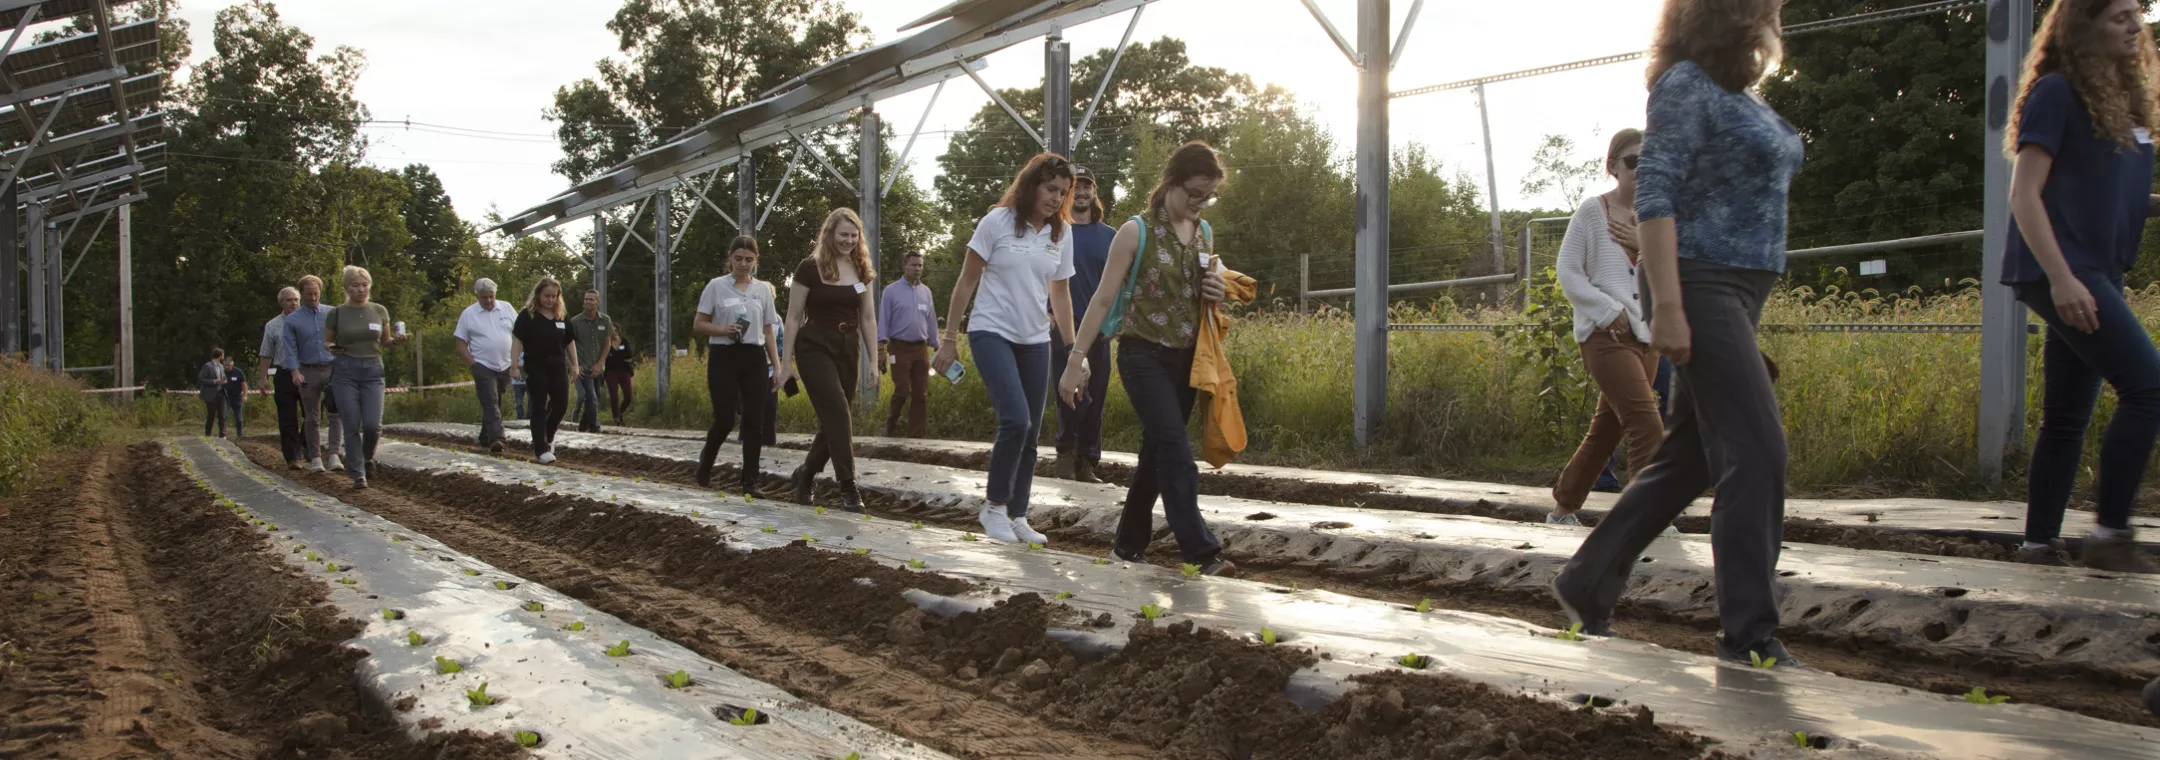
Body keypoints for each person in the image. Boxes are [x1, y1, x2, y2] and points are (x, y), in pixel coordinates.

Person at [1550, 0, 1806, 668]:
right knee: (1758, 451)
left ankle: (1586, 579)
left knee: (1686, 457)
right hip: (1700, 285)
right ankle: (1747, 634)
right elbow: (1657, 196)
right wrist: (1667, 305)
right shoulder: (1684, 84)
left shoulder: (1737, 94)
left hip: (1741, 289)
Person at [2003, 0, 2160, 573]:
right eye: (2119, 16)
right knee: (2149, 386)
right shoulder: (2057, 92)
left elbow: (2110, 195)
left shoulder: (2121, 106)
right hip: (2063, 268)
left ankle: (2039, 545)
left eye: (2137, 14)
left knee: (2066, 416)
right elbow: (2024, 193)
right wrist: (2062, 278)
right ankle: (2111, 535)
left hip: (2098, 268)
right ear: (2082, 26)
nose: (2136, 26)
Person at [1056, 141, 1236, 577]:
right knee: (1176, 449)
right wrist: (1075, 359)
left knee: (1157, 454)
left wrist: (1218, 288)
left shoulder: (1204, 234)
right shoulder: (1135, 232)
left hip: (1187, 359)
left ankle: (1127, 545)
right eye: (1193, 193)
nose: (1199, 203)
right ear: (1171, 182)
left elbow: (1206, 291)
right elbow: (1101, 300)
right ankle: (1200, 551)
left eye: (1207, 196)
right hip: (1142, 356)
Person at [935, 153, 1080, 544]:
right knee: (1015, 419)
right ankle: (994, 507)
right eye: (1050, 189)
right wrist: (950, 338)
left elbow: (1061, 293)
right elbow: (966, 281)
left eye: (1062, 192)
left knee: (1032, 433)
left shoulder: (1060, 233)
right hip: (991, 331)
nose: (1056, 198)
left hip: (1035, 339)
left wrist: (1071, 347)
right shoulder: (996, 222)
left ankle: (1018, 514)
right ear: (1032, 184)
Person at [1549, 129, 1662, 526]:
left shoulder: (1655, 217)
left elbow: (1670, 273)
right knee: (1646, 423)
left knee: (1607, 430)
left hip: (1647, 338)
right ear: (1613, 166)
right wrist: (1605, 308)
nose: (1641, 169)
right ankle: (1646, 518)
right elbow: (1568, 272)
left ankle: (1563, 508)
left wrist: (1647, 245)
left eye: (1650, 160)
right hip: (1605, 336)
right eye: (1633, 161)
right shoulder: (1592, 212)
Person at [776, 209, 881, 512]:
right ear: (830, 234)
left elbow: (868, 317)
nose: (848, 240)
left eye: (853, 235)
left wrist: (874, 361)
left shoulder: (862, 269)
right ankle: (847, 486)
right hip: (814, 345)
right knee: (837, 412)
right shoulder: (809, 268)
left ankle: (806, 473)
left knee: (837, 417)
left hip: (848, 347)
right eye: (842, 234)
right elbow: (794, 317)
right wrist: (786, 364)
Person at [693, 236, 782, 497]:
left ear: (756, 261)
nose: (743, 264)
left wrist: (776, 367)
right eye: (738, 259)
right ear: (730, 258)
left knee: (755, 420)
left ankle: (750, 481)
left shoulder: (763, 290)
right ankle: (706, 463)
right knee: (725, 419)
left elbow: (768, 330)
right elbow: (699, 324)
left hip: (754, 357)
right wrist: (723, 329)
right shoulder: (716, 287)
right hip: (724, 355)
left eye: (749, 260)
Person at [1052, 164, 1116, 484]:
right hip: (1064, 326)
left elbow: (1123, 283)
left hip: (1100, 329)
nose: (1081, 192)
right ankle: (1064, 454)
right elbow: (1041, 274)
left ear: (1094, 193)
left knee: (1097, 396)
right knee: (1068, 392)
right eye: (1076, 187)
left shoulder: (1110, 237)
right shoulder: (1056, 231)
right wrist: (1047, 311)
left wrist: (1115, 321)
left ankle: (1087, 461)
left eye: (1087, 186)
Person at [323, 265, 404, 488]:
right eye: (355, 285)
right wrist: (332, 347)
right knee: (351, 423)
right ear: (347, 288)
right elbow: (327, 341)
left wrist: (396, 341)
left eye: (365, 285)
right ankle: (357, 473)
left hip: (373, 370)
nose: (361, 289)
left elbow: (385, 341)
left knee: (372, 425)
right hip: (345, 370)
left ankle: (367, 457)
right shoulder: (336, 313)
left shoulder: (379, 310)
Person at [512, 277, 577, 464]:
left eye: (553, 297)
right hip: (535, 365)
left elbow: (569, 342)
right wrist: (514, 365)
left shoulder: (562, 316)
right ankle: (540, 448)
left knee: (561, 403)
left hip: (557, 364)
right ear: (538, 294)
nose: (549, 300)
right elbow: (517, 341)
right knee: (538, 406)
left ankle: (548, 436)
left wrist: (574, 365)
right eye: (546, 296)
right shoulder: (527, 315)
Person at [282, 275, 344, 472]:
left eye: (316, 293)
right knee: (312, 416)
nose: (313, 297)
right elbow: (289, 349)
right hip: (308, 370)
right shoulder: (293, 320)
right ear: (302, 294)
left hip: (332, 367)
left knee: (336, 412)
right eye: (309, 294)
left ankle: (334, 454)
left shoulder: (331, 313)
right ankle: (316, 457)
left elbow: (343, 337)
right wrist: (295, 372)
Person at [455, 278, 520, 454]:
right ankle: (498, 439)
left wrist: (517, 362)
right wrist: (474, 365)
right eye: (484, 298)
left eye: (491, 297)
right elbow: (460, 344)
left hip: (505, 365)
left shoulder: (506, 308)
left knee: (494, 400)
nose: (488, 301)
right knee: (491, 401)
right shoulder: (469, 314)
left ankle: (485, 436)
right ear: (476, 296)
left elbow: (519, 334)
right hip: (482, 364)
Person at [878, 252, 939, 439]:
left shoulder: (926, 292)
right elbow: (883, 321)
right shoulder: (891, 291)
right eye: (914, 265)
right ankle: (891, 425)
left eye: (920, 265)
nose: (918, 269)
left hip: (920, 348)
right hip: (899, 348)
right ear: (904, 266)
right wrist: (880, 348)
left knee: (920, 394)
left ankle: (915, 436)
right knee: (903, 390)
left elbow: (931, 321)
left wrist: (937, 345)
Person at [259, 287, 305, 467]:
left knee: (312, 413)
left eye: (295, 300)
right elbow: (265, 354)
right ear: (281, 303)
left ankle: (305, 444)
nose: (293, 303)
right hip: (284, 372)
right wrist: (263, 378)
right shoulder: (273, 325)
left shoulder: (308, 320)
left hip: (306, 371)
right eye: (289, 300)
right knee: (288, 416)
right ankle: (292, 456)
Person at [568, 290, 618, 434]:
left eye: (591, 299)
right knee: (590, 396)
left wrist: (601, 363)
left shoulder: (605, 320)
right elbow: (568, 344)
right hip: (583, 366)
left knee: (594, 396)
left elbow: (608, 342)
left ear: (598, 302)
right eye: (586, 299)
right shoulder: (575, 321)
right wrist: (574, 365)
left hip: (598, 366)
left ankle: (583, 425)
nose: (588, 302)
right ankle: (595, 427)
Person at [605, 333, 637, 425]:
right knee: (614, 395)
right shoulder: (606, 342)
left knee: (628, 395)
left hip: (624, 370)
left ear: (619, 331)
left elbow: (629, 355)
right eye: (611, 330)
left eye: (615, 330)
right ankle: (616, 417)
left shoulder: (624, 341)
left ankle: (620, 412)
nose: (613, 332)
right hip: (611, 371)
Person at [199, 348, 229, 437]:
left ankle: (222, 435)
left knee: (222, 415)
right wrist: (215, 381)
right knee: (211, 415)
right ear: (220, 356)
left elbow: (223, 377)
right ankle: (208, 434)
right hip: (211, 394)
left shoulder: (221, 366)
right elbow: (201, 379)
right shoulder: (207, 366)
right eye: (222, 355)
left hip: (221, 393)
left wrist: (224, 381)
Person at [222, 356, 248, 439]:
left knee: (238, 418)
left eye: (229, 365)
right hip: (226, 397)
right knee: (224, 415)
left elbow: (244, 385)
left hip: (237, 397)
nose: (227, 367)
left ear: (232, 364)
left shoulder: (238, 372)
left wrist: (244, 395)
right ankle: (223, 434)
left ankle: (240, 435)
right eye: (226, 365)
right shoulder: (221, 372)